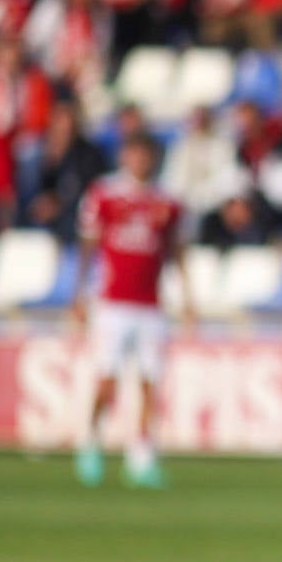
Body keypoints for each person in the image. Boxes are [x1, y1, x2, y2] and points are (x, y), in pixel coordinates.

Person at [73, 131, 192, 489]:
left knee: (149, 381)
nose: (140, 161)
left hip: (151, 305)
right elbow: (89, 246)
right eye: (134, 153)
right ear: (125, 157)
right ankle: (91, 443)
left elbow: (177, 251)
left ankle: (142, 456)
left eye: (145, 155)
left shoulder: (167, 203)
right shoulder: (105, 195)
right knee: (107, 379)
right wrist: (78, 294)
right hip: (112, 302)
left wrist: (188, 297)